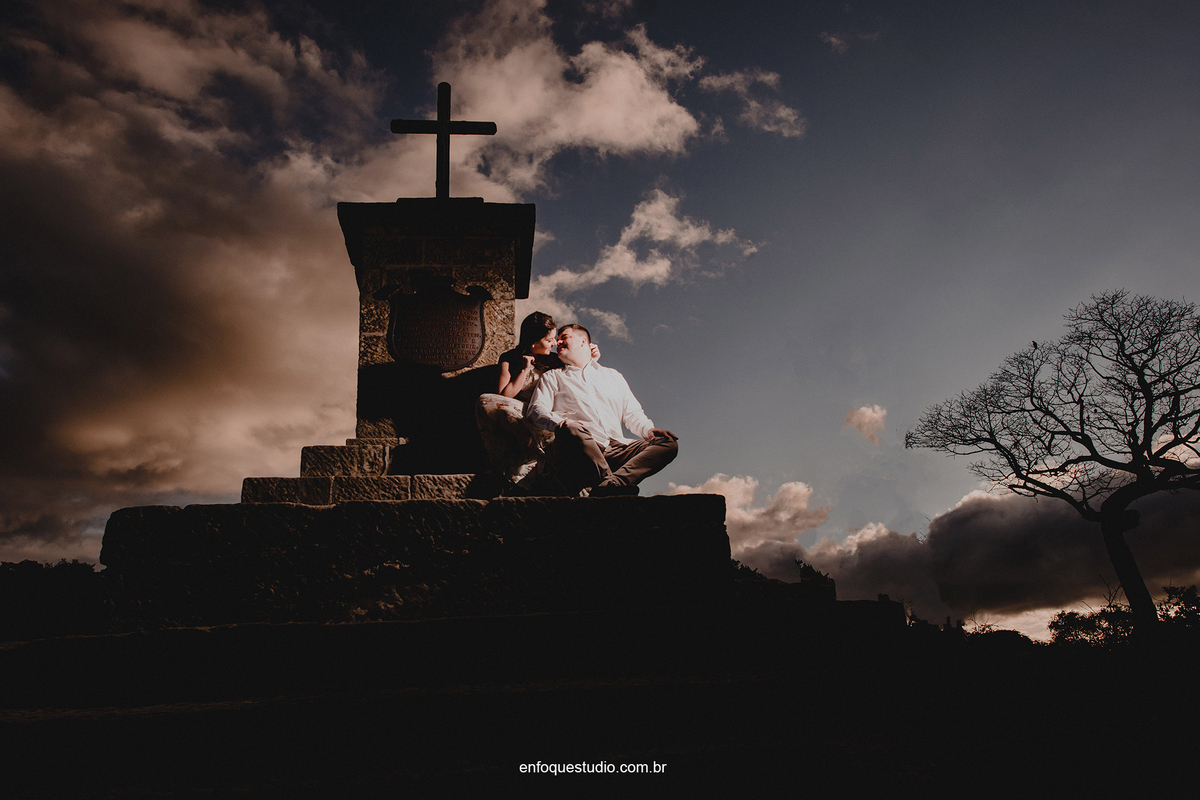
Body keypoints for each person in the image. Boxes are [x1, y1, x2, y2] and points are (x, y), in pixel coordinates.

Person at [525, 324, 678, 497]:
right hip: (581, 449)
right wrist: (560, 423)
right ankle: (613, 487)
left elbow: (632, 413)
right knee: (572, 430)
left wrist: (648, 430)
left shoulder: (613, 376)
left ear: (584, 341)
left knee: (668, 442)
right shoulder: (553, 376)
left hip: (619, 449)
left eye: (564, 336)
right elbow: (536, 409)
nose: (557, 341)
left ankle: (612, 484)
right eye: (557, 338)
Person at [475, 312, 601, 483]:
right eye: (549, 340)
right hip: (518, 414)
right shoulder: (509, 358)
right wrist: (524, 369)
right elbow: (502, 397)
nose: (555, 343)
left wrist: (592, 357)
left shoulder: (555, 360)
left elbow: (580, 375)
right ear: (534, 341)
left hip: (547, 413)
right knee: (486, 402)